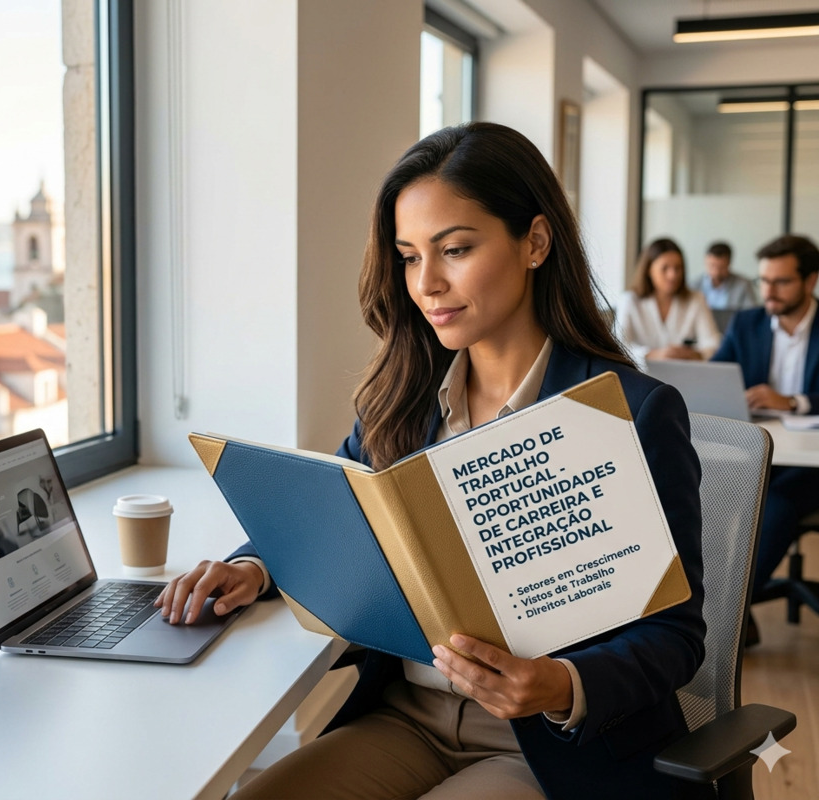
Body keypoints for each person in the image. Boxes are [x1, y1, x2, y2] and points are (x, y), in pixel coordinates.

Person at [156, 123, 707, 800]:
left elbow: (676, 637)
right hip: (408, 719)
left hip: (545, 747)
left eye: (455, 250)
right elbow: (334, 518)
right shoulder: (403, 401)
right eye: (410, 257)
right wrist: (252, 566)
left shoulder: (629, 412)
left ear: (535, 242)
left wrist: (561, 685)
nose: (428, 284)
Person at [711, 234, 819, 611]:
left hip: (810, 463)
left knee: (775, 503)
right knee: (705, 489)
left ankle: (730, 613)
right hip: (757, 450)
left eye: (781, 281)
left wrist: (792, 402)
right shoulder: (747, 323)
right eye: (764, 281)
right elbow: (715, 377)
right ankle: (712, 606)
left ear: (810, 281)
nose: (768, 291)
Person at [614, 238, 720, 367]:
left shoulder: (696, 299)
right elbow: (618, 345)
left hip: (685, 373)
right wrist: (651, 354)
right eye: (665, 268)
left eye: (678, 268)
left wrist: (693, 354)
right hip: (641, 373)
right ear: (649, 270)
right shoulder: (629, 300)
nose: (672, 275)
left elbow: (713, 343)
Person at [697, 241, 757, 310]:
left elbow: (751, 311)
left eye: (721, 267)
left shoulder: (743, 285)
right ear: (705, 261)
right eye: (712, 266)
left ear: (729, 263)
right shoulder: (694, 286)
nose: (716, 272)